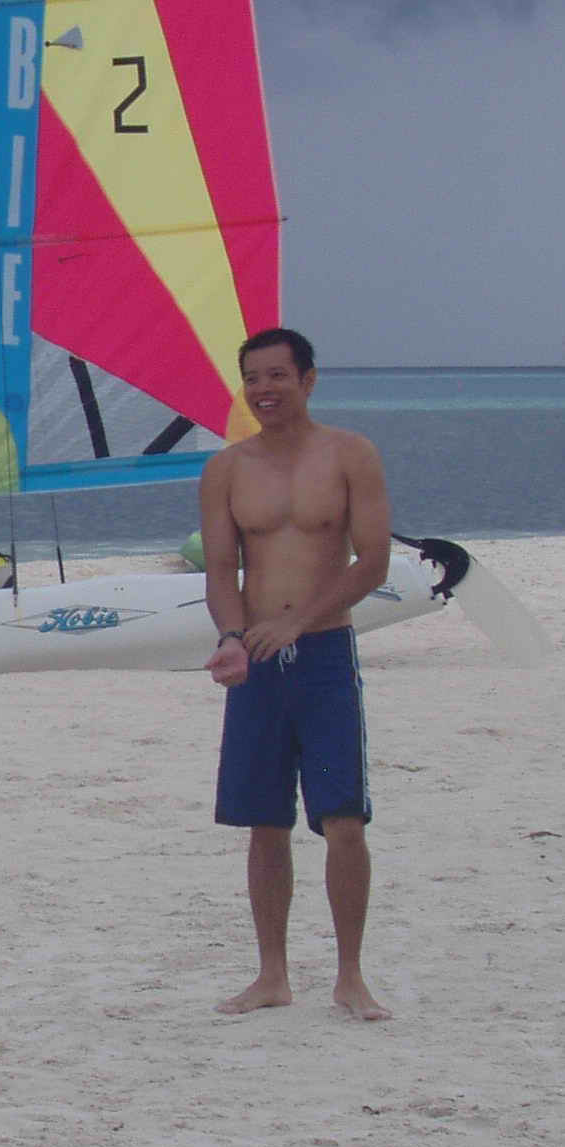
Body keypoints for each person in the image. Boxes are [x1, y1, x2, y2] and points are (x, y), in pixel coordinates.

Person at [198, 326, 391, 1021]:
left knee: (342, 818)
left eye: (277, 376)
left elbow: (370, 562)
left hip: (322, 656)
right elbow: (221, 570)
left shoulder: (349, 455)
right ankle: (271, 975)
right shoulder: (226, 467)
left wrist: (296, 623)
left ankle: (349, 976)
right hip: (253, 659)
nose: (263, 390)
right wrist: (230, 635)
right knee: (263, 822)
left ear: (307, 379)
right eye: (252, 378)